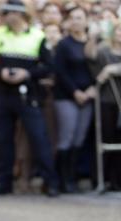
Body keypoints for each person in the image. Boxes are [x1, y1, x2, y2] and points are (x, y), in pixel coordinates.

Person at [0, 0, 60, 197]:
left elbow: (49, 66)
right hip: (4, 93)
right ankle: (4, 183)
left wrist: (27, 73)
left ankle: (50, 183)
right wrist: (0, 72)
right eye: (5, 13)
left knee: (39, 139)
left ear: (20, 15)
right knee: (4, 140)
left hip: (28, 94)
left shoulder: (37, 36)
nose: (6, 17)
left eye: (9, 13)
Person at [52, 5, 96, 194]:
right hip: (67, 96)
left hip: (89, 96)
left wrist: (93, 88)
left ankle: (72, 178)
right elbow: (60, 72)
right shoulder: (64, 44)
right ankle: (61, 180)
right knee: (66, 137)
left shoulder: (92, 44)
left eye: (80, 17)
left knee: (79, 138)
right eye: (73, 18)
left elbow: (97, 68)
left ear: (87, 21)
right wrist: (75, 91)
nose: (76, 21)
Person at [92, 23, 121, 191]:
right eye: (118, 30)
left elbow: (108, 70)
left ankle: (117, 181)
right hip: (107, 101)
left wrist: (113, 69)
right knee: (106, 139)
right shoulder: (104, 51)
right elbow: (96, 72)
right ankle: (101, 179)